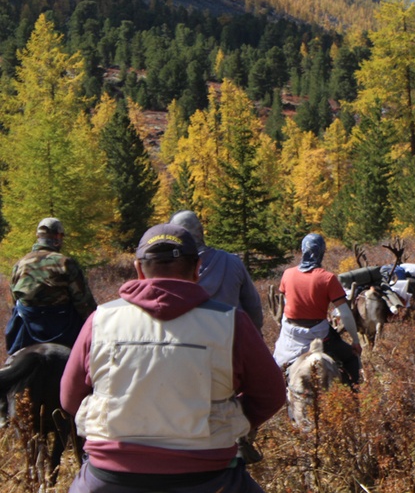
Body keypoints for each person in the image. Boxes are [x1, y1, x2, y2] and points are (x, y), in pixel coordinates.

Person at [60, 223, 286, 493]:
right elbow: (271, 394)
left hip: (109, 477)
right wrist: (232, 417)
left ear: (139, 269)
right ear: (197, 268)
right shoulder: (231, 323)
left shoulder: (101, 320)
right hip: (209, 476)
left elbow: (69, 398)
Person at [273, 233, 363, 386]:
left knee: (274, 368)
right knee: (351, 359)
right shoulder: (327, 278)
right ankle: (354, 394)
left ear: (302, 250)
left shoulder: (287, 274)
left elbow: (286, 303)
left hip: (291, 334)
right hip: (318, 334)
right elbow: (345, 314)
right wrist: (355, 340)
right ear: (322, 252)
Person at [5, 217, 97, 355]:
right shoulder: (65, 263)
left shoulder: (20, 264)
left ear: (38, 237)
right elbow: (83, 301)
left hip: (28, 329)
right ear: (58, 236)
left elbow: (15, 299)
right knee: (87, 357)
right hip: (63, 327)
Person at [169, 210, 264, 331]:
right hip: (231, 340)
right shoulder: (232, 262)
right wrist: (255, 335)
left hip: (192, 344)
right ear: (201, 231)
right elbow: (253, 306)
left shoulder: (172, 270)